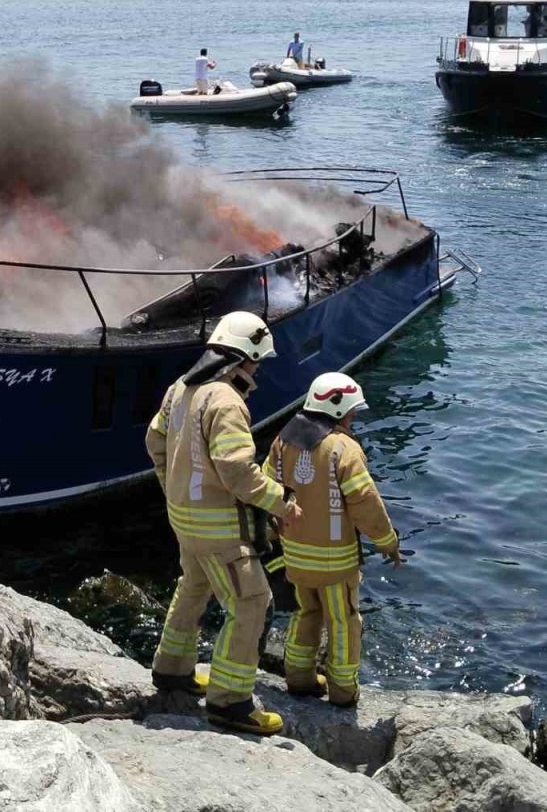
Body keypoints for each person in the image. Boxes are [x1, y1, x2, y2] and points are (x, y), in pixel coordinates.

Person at [146, 311, 301, 736]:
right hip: (218, 528)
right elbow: (236, 471)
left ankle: (172, 669)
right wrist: (282, 501)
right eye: (256, 361)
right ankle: (230, 701)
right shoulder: (227, 402)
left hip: (183, 518)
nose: (258, 369)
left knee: (193, 586)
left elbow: (154, 439)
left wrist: (171, 485)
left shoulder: (180, 389)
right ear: (242, 358)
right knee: (251, 601)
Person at [263, 371, 402, 706]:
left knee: (306, 612)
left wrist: (270, 532)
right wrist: (388, 542)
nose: (354, 417)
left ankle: (298, 678)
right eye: (352, 411)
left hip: (295, 556)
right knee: (343, 622)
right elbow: (365, 503)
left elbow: (266, 490)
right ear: (340, 411)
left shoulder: (283, 441)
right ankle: (342, 690)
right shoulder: (344, 449)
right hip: (335, 562)